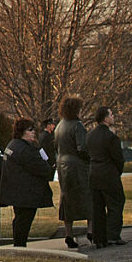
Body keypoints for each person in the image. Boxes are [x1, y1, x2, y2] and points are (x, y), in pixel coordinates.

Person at [0, 119, 53, 247]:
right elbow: (44, 168)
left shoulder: (12, 145)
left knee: (19, 220)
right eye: (30, 130)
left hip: (16, 191)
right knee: (24, 221)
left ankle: (19, 244)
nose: (33, 132)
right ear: (22, 132)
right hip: (26, 193)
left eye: (34, 129)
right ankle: (20, 246)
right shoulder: (25, 150)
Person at [86, 106, 126, 248]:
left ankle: (99, 237)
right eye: (111, 114)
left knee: (98, 207)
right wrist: (117, 171)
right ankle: (112, 235)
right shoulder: (111, 137)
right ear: (105, 118)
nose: (113, 116)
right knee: (115, 204)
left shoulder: (90, 135)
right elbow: (118, 159)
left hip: (94, 173)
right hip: (109, 173)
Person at [55, 96, 90, 248]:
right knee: (87, 197)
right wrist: (89, 158)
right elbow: (82, 148)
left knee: (67, 199)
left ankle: (69, 233)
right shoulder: (78, 126)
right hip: (77, 166)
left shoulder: (59, 126)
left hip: (62, 165)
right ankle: (91, 230)